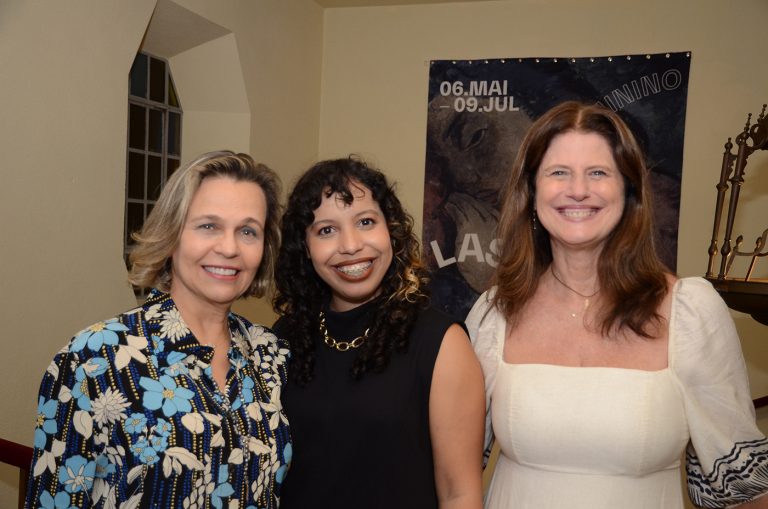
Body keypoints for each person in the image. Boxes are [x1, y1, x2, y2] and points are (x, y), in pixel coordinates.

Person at [466, 100, 768, 509]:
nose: (578, 189)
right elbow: (452, 470)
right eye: (558, 173)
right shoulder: (494, 312)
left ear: (629, 192)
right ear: (532, 191)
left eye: (598, 173)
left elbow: (744, 492)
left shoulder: (689, 312)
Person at [26, 151, 291, 509]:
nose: (229, 248)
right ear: (171, 234)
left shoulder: (270, 354)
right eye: (208, 226)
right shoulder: (94, 358)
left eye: (247, 231)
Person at [273, 156, 484, 509]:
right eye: (326, 230)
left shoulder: (441, 343)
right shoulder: (286, 337)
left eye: (366, 221)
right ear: (305, 249)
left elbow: (459, 494)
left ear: (391, 230)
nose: (351, 245)